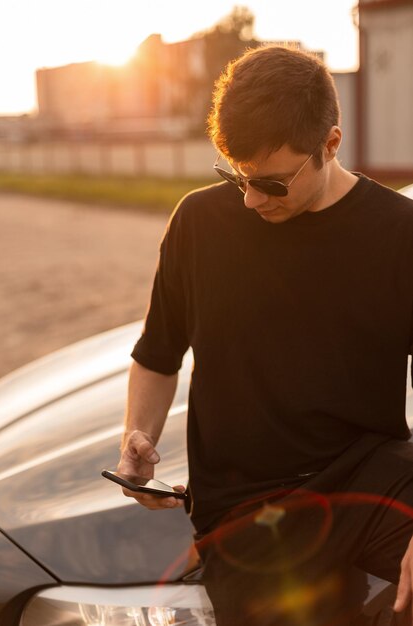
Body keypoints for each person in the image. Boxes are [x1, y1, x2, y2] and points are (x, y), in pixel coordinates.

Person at [117, 44, 413, 625]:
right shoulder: (198, 223)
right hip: (245, 508)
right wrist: (136, 437)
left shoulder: (400, 235)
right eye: (236, 177)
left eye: (272, 185)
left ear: (331, 144)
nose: (251, 200)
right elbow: (156, 354)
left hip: (369, 473)